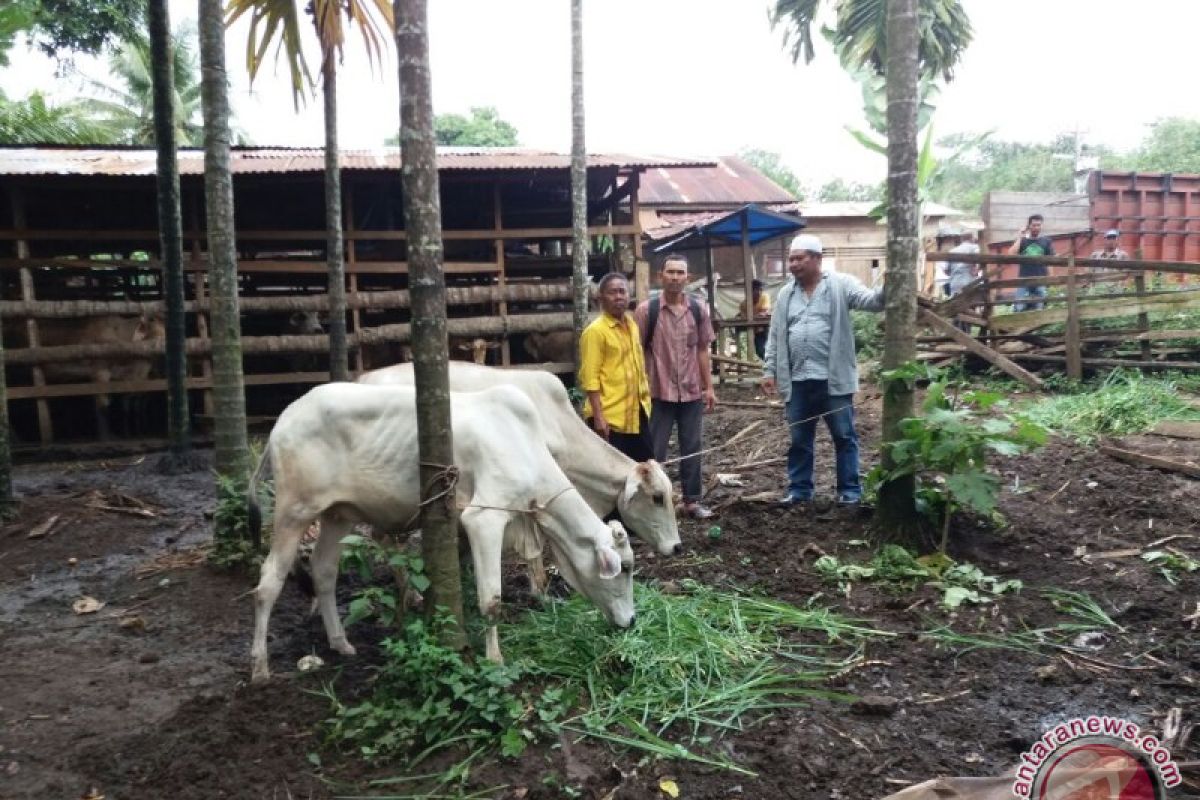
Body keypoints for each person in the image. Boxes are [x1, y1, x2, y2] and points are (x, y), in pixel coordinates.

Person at [761, 234, 884, 506]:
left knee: (844, 436)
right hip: (797, 380)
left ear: (817, 258)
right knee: (799, 440)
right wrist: (770, 371)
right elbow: (776, 335)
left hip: (832, 380)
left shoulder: (840, 284)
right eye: (790, 259)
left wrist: (891, 283)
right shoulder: (785, 294)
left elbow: (872, 301)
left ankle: (850, 492)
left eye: (799, 258)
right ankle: (800, 490)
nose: (793, 264)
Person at [634, 255, 718, 520]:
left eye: (680, 273)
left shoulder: (698, 309)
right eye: (670, 272)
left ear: (687, 278)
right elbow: (636, 352)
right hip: (658, 391)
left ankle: (691, 501)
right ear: (661, 276)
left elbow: (703, 350)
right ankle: (653, 503)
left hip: (691, 390)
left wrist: (709, 387)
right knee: (654, 451)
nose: (674, 277)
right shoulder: (647, 311)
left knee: (692, 447)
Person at [579, 272, 653, 461]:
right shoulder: (595, 332)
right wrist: (598, 417)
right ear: (601, 297)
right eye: (612, 292)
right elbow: (590, 378)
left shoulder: (633, 326)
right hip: (610, 418)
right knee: (614, 473)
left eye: (622, 291)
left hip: (637, 413)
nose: (619, 297)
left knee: (643, 468)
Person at [1008, 213, 1054, 311]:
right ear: (1029, 226)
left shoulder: (1046, 241)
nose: (1036, 227)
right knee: (1019, 307)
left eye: (1039, 225)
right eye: (1034, 225)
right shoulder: (1023, 241)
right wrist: (1020, 236)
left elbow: (1051, 261)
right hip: (1024, 279)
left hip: (1041, 279)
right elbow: (1011, 254)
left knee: (1040, 308)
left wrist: (1051, 278)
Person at [739, 278, 771, 358]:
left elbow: (764, 313)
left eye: (761, 290)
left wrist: (752, 316)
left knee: (769, 349)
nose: (759, 292)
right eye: (756, 290)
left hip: (767, 329)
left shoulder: (764, 297)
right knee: (759, 351)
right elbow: (744, 318)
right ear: (750, 292)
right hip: (756, 331)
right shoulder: (744, 304)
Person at [947, 231, 981, 296]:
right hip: (969, 281)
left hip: (955, 282)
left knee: (955, 303)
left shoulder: (952, 251)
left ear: (962, 239)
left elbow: (946, 271)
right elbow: (978, 259)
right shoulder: (975, 247)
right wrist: (977, 269)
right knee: (970, 303)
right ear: (972, 238)